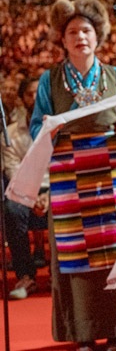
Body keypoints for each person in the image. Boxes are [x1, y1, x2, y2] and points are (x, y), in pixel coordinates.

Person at [30, 0, 116, 351]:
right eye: (73, 31)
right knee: (77, 258)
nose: (80, 37)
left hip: (113, 173)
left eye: (87, 31)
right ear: (63, 39)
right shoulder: (50, 80)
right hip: (69, 175)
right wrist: (48, 129)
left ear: (98, 37)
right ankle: (84, 332)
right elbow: (35, 130)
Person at [2, 76, 48, 300]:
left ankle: (61, 275)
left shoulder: (56, 127)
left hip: (54, 189)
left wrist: (47, 195)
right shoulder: (10, 134)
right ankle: (26, 276)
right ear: (21, 99)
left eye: (38, 93)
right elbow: (14, 171)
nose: (34, 98)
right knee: (11, 209)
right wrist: (33, 197)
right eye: (29, 93)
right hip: (24, 192)